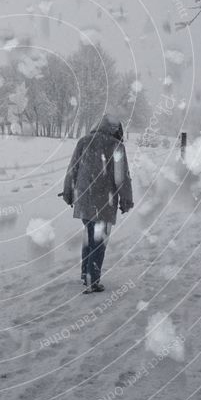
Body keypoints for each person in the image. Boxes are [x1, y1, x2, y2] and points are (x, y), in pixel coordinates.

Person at [62, 115, 134, 293]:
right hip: (104, 200)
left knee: (89, 237)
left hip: (84, 199)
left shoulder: (84, 141)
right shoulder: (116, 146)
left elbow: (73, 169)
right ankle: (92, 280)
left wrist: (68, 192)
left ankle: (85, 274)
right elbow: (121, 177)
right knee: (98, 241)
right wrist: (126, 200)